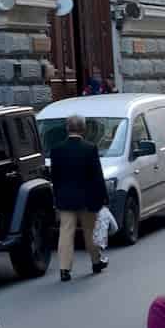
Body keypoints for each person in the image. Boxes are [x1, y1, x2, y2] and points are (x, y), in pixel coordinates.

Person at [49, 114, 108, 281]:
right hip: (87, 199)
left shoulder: (57, 150)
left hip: (65, 199)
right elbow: (97, 176)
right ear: (83, 129)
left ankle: (64, 269)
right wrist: (103, 198)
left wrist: (58, 196)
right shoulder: (90, 148)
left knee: (66, 233)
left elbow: (55, 176)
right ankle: (96, 262)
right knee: (90, 232)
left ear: (67, 129)